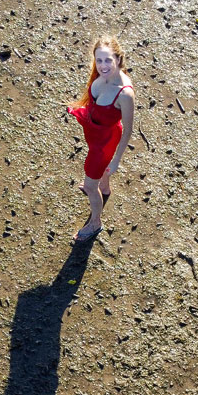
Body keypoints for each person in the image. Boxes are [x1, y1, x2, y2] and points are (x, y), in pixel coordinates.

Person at [67, 35, 135, 241]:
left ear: (118, 59)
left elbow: (129, 130)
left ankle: (95, 222)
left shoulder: (124, 94)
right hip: (94, 133)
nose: (103, 65)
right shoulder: (99, 74)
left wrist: (116, 161)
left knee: (89, 186)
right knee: (97, 181)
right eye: (99, 60)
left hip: (104, 143)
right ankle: (104, 187)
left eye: (108, 60)